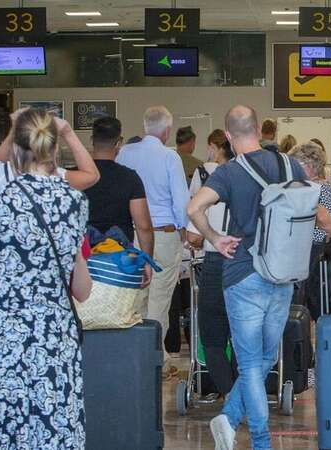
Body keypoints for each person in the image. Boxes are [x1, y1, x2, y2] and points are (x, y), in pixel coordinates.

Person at [186, 105, 331, 450]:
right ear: (259, 129)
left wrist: (215, 238)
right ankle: (230, 422)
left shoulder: (229, 171)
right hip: (283, 272)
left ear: (228, 137)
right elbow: (317, 209)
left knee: (250, 363)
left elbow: (193, 209)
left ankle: (252, 436)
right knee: (262, 359)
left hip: (242, 275)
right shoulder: (289, 165)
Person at [0, 108, 92, 449]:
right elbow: (82, 289)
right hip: (54, 340)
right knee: (55, 433)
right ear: (53, 151)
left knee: (1, 435)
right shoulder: (74, 203)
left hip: (0, 339)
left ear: (15, 151)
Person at [116, 106, 190, 376]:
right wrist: (184, 229)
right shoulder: (170, 157)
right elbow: (180, 200)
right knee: (160, 299)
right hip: (163, 233)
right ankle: (156, 361)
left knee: (135, 298)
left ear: (145, 126)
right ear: (167, 131)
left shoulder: (124, 153)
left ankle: (132, 355)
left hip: (132, 234)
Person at [187, 128, 237, 397]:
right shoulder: (253, 182)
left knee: (213, 333)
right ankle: (243, 392)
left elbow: (193, 234)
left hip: (216, 262)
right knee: (245, 336)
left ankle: (227, 392)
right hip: (248, 264)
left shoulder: (208, 184)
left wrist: (212, 237)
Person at [83, 117, 154, 284]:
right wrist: (147, 260)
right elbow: (143, 226)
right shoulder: (129, 178)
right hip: (118, 260)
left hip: (81, 257)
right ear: (119, 143)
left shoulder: (76, 176)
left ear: (92, 140)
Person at [0, 107, 100, 198]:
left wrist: (14, 129)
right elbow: (92, 175)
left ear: (16, 145)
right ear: (55, 148)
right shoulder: (59, 178)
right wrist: (68, 132)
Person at [288, 142, 331, 320]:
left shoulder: (317, 188)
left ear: (309, 166)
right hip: (315, 251)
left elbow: (323, 222)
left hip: (312, 250)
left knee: (302, 301)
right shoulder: (325, 187)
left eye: (297, 165)